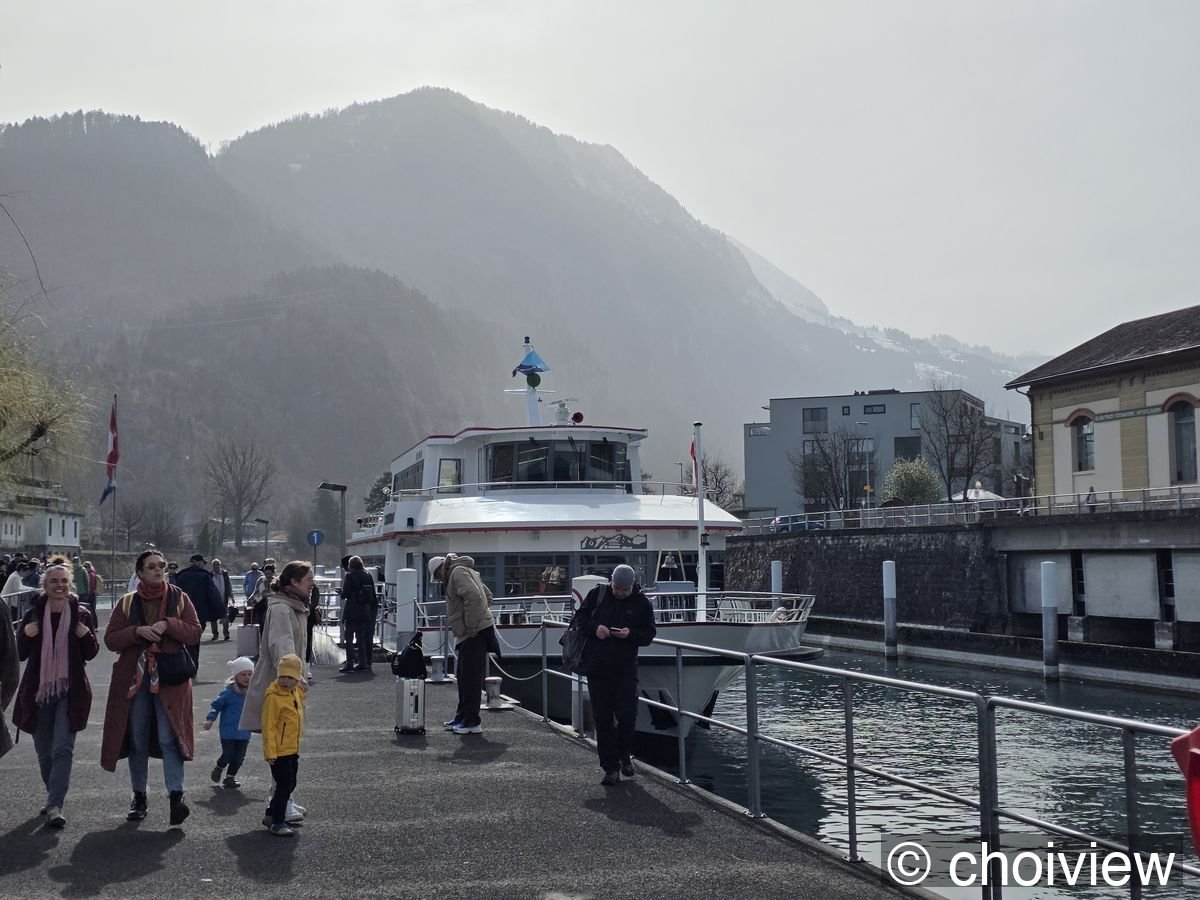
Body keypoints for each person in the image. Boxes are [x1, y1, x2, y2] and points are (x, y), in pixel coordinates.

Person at [100, 549, 202, 826]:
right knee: (138, 738)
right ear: (140, 572)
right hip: (135, 679)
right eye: (152, 567)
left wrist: (168, 624)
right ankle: (139, 796)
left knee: (171, 738)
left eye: (162, 566)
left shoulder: (179, 598)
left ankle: (176, 797)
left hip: (170, 678)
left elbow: (194, 631)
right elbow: (110, 640)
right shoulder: (127, 602)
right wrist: (136, 632)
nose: (158, 571)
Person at [12, 562, 100, 827]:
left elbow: (91, 652)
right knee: (44, 751)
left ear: (69, 584)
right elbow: (21, 654)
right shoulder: (33, 615)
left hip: (70, 691)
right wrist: (25, 636)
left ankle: (55, 804)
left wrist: (86, 637)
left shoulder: (82, 614)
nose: (59, 586)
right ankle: (53, 795)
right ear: (45, 585)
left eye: (64, 581)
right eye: (54, 581)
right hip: (38, 691)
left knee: (62, 748)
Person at [238, 560, 312, 825]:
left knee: (286, 744)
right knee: (282, 745)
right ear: (293, 582)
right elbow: (283, 645)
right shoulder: (283, 608)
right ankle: (279, 801)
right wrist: (294, 676)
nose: (312, 583)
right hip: (281, 686)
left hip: (285, 684)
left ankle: (283, 799)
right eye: (308, 579)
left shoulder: (290, 605)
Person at [574, 563, 656, 786]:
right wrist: (595, 629)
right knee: (602, 718)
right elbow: (580, 620)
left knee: (627, 715)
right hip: (597, 666)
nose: (619, 592)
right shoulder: (597, 594)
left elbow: (649, 634)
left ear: (632, 587)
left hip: (625, 668)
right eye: (616, 588)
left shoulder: (642, 603)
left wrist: (630, 634)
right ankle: (610, 768)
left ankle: (624, 756)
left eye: (624, 590)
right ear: (611, 582)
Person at [429, 554, 495, 735]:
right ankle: (462, 717)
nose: (439, 579)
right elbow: (487, 595)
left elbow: (475, 596)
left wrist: (472, 623)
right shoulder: (465, 570)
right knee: (464, 677)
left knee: (470, 679)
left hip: (473, 632)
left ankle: (472, 722)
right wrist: (479, 617)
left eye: (437, 575)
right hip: (471, 632)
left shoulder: (457, 573)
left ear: (441, 569)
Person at [261, 652, 306, 836]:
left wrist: (303, 689)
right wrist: (270, 752)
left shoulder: (293, 693)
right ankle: (277, 822)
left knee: (290, 782)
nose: (285, 681)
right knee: (284, 784)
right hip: (279, 751)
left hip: (291, 748)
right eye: (282, 677)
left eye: (290, 677)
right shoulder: (273, 697)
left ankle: (271, 814)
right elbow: (268, 726)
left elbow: (298, 702)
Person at [203, 656, 254, 788]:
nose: (247, 677)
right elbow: (216, 706)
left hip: (244, 732)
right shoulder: (228, 693)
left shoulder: (253, 693)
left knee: (239, 758)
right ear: (236, 676)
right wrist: (210, 719)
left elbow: (259, 708)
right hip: (228, 732)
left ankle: (230, 777)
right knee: (228, 754)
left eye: (250, 674)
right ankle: (219, 767)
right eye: (243, 674)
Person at [173, 553, 225, 666]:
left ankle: (184, 663)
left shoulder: (181, 576)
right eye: (203, 563)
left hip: (182, 613)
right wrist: (222, 612)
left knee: (185, 640)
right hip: (200, 613)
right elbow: (213, 594)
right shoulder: (205, 576)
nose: (203, 565)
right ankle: (192, 665)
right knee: (195, 640)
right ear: (198, 562)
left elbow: (175, 595)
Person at [339, 556, 376, 673]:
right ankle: (363, 662)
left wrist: (341, 592)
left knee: (349, 638)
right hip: (364, 611)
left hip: (352, 611)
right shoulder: (367, 574)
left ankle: (350, 663)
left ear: (350, 565)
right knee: (361, 638)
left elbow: (345, 593)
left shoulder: (349, 575)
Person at [209, 559, 235, 641]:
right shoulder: (209, 575)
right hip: (213, 599)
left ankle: (226, 634)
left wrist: (232, 596)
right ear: (212, 566)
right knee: (213, 618)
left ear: (220, 565)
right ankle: (215, 634)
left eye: (217, 564)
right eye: (214, 565)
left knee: (225, 617)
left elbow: (229, 585)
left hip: (224, 599)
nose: (216, 566)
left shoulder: (224, 574)